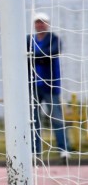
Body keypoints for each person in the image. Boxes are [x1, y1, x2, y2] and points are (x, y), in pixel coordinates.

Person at [29, 13, 68, 159]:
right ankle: (35, 151)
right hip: (33, 85)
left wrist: (34, 56)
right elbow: (26, 57)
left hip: (51, 85)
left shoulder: (54, 39)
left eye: (42, 22)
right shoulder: (29, 39)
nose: (40, 25)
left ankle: (64, 149)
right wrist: (38, 56)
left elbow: (51, 53)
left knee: (56, 118)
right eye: (37, 22)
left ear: (48, 24)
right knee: (34, 119)